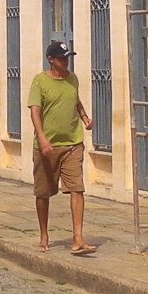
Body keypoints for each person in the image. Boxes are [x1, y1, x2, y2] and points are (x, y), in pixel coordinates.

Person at [28, 41, 98, 256]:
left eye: (67, 57)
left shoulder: (73, 79)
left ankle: (78, 238)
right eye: (61, 58)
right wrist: (43, 140)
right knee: (43, 193)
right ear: (51, 59)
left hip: (72, 144)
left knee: (77, 188)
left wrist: (85, 117)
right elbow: (35, 112)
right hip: (47, 146)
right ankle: (44, 234)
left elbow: (76, 101)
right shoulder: (40, 81)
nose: (65, 61)